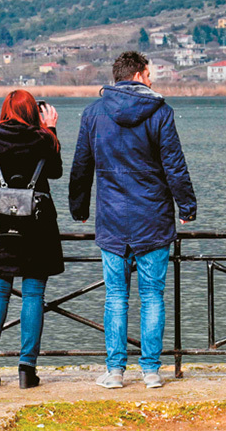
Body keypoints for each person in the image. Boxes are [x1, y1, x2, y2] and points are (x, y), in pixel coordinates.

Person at [70, 51, 197, 389]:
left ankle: (115, 372)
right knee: (152, 295)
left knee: (115, 296)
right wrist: (186, 207)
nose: (153, 79)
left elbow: (81, 166)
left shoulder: (93, 113)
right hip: (153, 218)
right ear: (139, 75)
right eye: (150, 73)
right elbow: (174, 165)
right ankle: (151, 371)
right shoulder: (160, 112)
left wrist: (79, 208)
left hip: (111, 219)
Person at [0, 90, 64, 389]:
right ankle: (27, 368)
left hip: (2, 221)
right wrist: (50, 129)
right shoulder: (43, 139)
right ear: (33, 113)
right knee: (33, 294)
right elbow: (55, 172)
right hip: (37, 224)